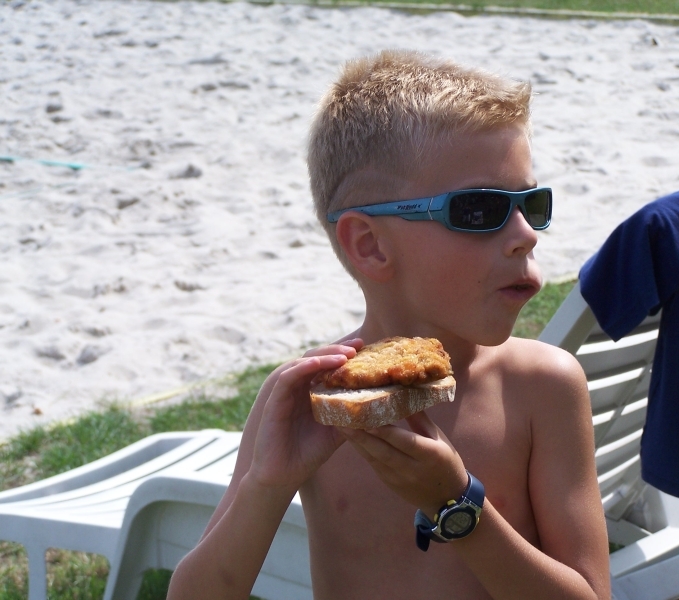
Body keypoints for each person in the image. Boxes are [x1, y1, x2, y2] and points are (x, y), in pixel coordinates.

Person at [167, 49, 610, 600]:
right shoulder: (308, 398)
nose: (526, 234)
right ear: (370, 245)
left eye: (531, 204)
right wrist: (267, 485)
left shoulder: (541, 387)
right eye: (479, 209)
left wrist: (457, 506)